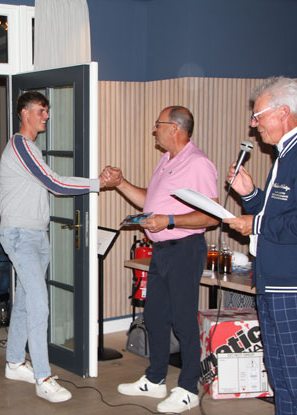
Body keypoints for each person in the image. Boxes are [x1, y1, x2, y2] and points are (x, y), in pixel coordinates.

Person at [223, 77, 297, 415]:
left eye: (258, 115)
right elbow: (281, 213)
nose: (253, 124)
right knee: (281, 375)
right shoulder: (286, 156)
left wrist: (256, 224)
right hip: (275, 280)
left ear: (283, 112)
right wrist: (250, 195)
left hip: (296, 285)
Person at [103, 106, 219, 413]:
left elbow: (211, 216)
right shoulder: (166, 159)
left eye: (158, 124)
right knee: (154, 316)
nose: (154, 130)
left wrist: (169, 220)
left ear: (175, 128)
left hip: (184, 249)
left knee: (183, 320)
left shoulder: (198, 163)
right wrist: (121, 183)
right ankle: (155, 379)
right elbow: (151, 202)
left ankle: (188, 388)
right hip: (162, 251)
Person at [0, 91, 104, 403]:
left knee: (25, 302)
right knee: (40, 305)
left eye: (47, 110)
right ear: (24, 113)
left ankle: (14, 361)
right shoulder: (21, 145)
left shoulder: (30, 148)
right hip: (21, 235)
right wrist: (98, 183)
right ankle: (43, 378)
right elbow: (55, 184)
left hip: (34, 234)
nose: (46, 116)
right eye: (41, 111)